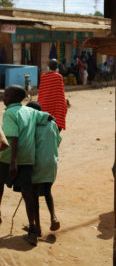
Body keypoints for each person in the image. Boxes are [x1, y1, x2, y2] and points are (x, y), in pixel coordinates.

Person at [0, 85, 51, 245]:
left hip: (9, 158)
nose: (4, 97)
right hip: (28, 158)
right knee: (27, 193)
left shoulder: (9, 113)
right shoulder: (31, 111)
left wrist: (13, 163)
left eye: (7, 95)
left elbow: (13, 138)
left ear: (15, 97)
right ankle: (32, 229)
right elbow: (48, 117)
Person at [26, 101, 61, 236]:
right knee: (47, 191)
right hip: (51, 163)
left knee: (34, 195)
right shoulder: (52, 123)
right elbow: (58, 140)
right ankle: (53, 217)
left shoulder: (31, 125)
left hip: (37, 163)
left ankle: (38, 228)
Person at [38, 59, 67, 132]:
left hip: (44, 105)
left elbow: (41, 93)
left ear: (48, 67)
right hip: (56, 106)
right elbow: (60, 94)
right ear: (57, 67)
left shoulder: (43, 77)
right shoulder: (59, 77)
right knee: (56, 127)